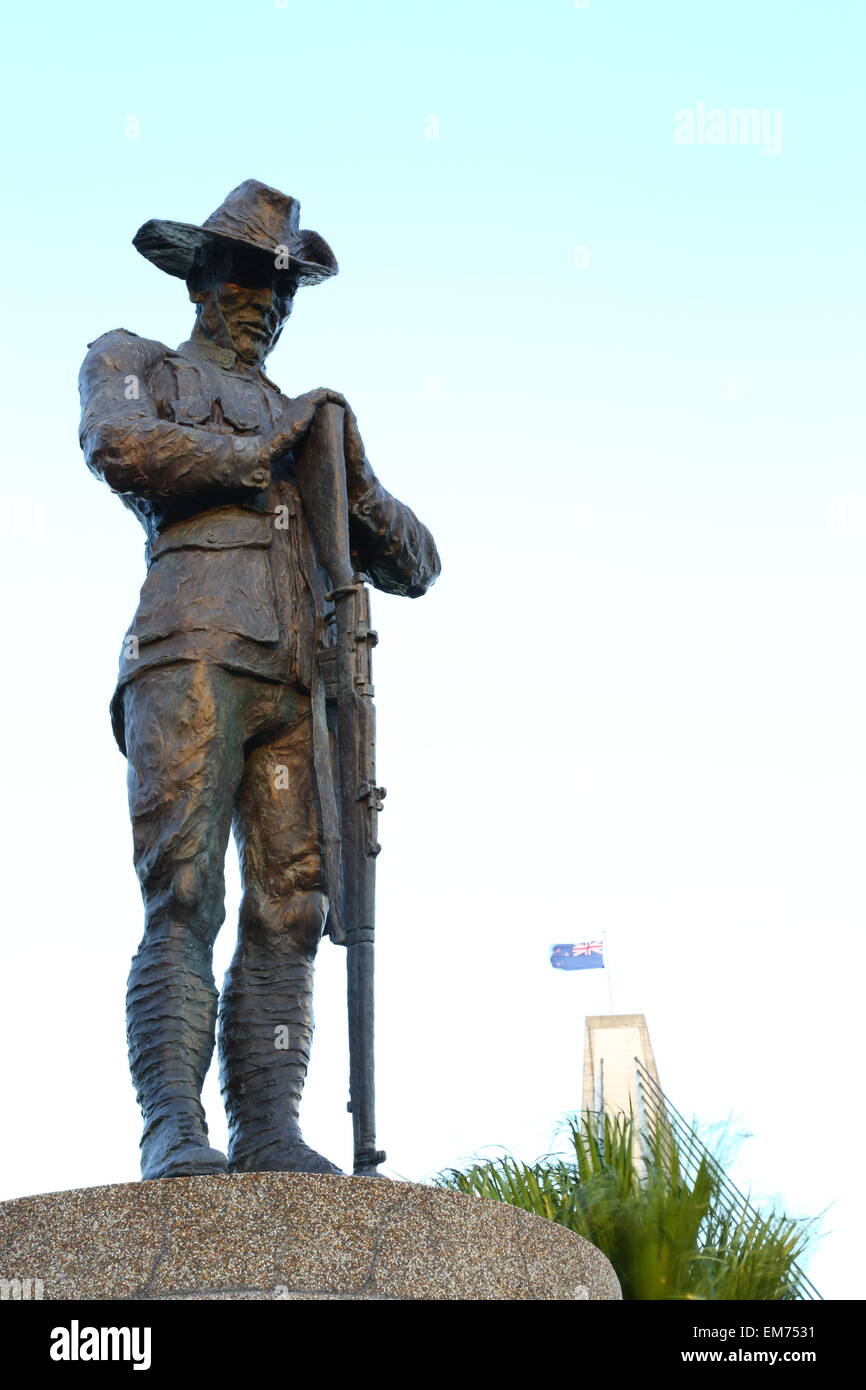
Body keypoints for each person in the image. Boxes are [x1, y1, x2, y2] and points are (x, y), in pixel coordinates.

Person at [78, 180, 440, 1180]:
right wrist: (269, 449)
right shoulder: (134, 361)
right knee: (183, 891)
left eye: (281, 285)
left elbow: (417, 560)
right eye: (245, 274)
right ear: (200, 275)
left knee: (289, 906)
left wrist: (351, 475)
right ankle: (172, 1124)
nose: (263, 299)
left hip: (298, 683)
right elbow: (121, 446)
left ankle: (270, 1125)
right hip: (190, 648)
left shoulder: (307, 418)